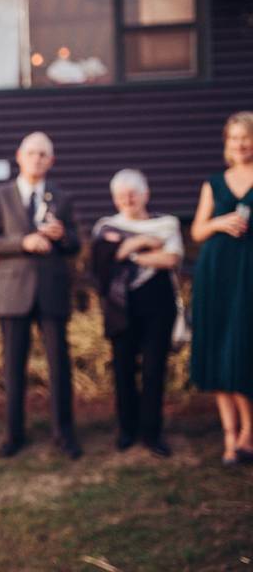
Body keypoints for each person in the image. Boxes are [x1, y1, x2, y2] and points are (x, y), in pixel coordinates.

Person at [0, 132, 82, 459]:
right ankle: (13, 434)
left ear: (51, 161)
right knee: (13, 367)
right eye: (32, 153)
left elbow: (76, 245)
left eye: (44, 155)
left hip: (52, 291)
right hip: (14, 292)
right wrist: (23, 242)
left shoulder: (62, 198)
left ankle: (63, 434)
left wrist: (62, 235)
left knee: (59, 367)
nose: (37, 159)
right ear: (19, 156)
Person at [91, 170, 183, 457]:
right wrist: (145, 243)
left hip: (158, 304)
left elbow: (171, 259)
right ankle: (126, 429)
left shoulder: (167, 223)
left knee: (155, 370)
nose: (127, 199)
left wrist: (130, 249)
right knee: (123, 369)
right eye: (121, 195)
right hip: (121, 307)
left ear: (146, 194)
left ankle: (152, 432)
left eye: (133, 193)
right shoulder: (104, 226)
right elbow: (103, 263)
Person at [189, 111, 253, 466]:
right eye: (234, 138)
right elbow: (197, 232)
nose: (240, 144)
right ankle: (230, 438)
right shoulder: (214, 183)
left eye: (245, 137)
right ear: (226, 144)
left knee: (243, 349)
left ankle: (249, 433)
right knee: (217, 350)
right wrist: (218, 221)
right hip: (217, 273)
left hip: (249, 274)